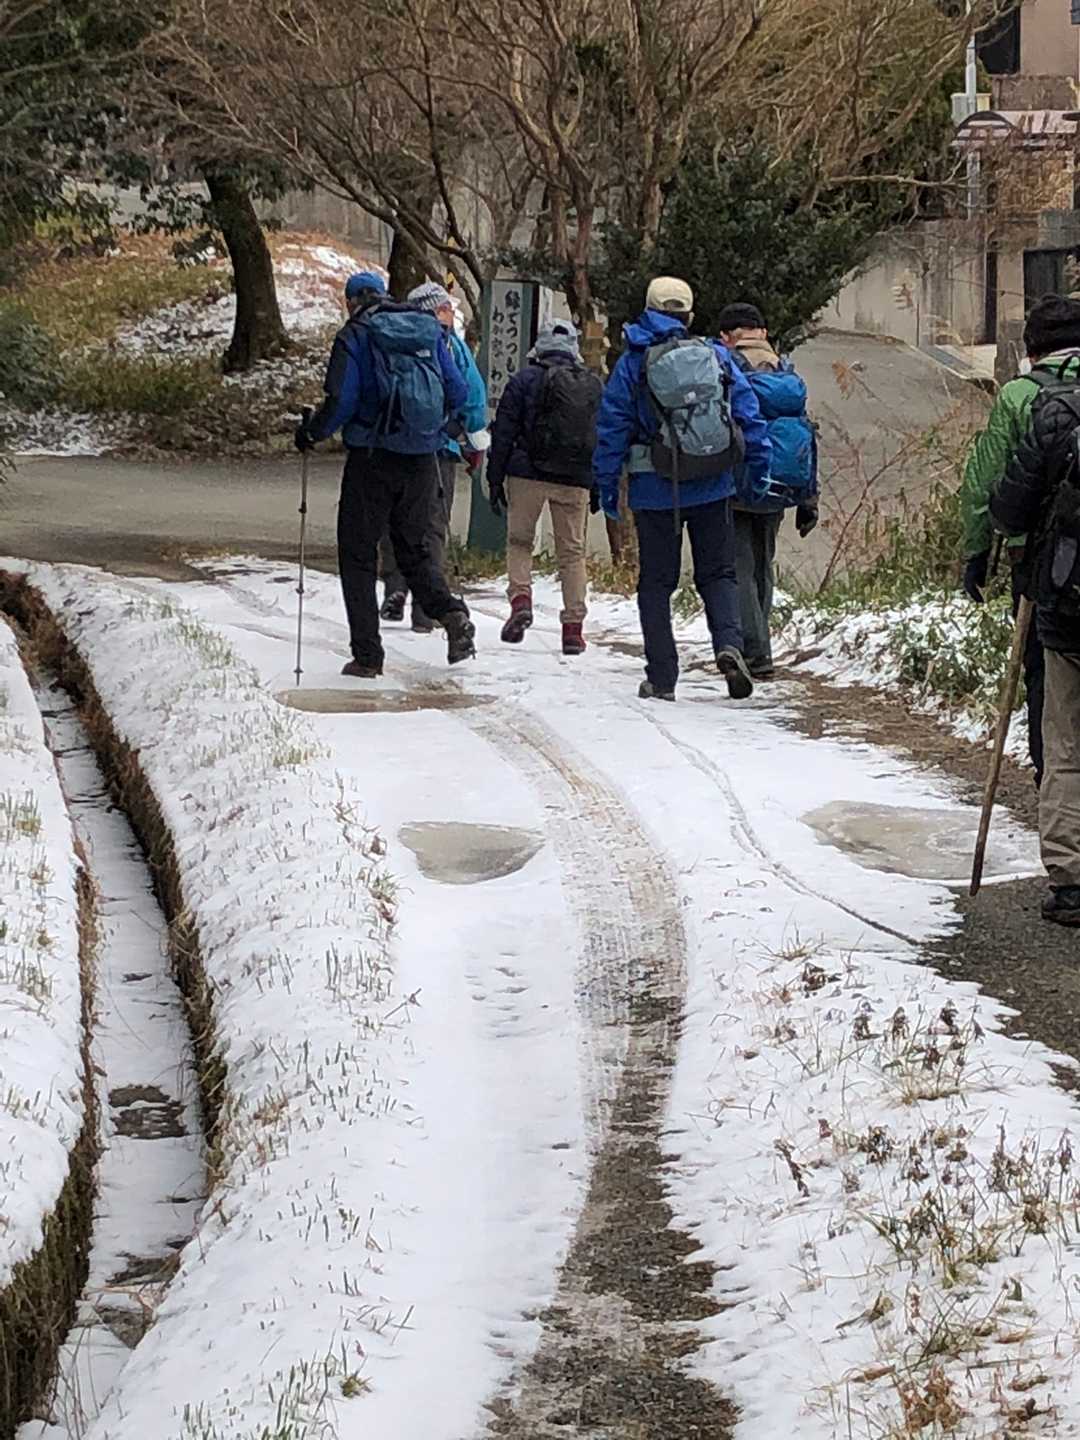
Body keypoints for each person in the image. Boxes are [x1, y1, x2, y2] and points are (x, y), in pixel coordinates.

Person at [593, 276, 771, 701]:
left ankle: (662, 677)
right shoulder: (714, 354)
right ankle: (728, 645)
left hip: (655, 489)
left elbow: (612, 426)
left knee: (657, 583)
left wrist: (606, 486)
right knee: (719, 574)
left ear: (647, 310)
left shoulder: (633, 362)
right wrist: (758, 463)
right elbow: (746, 410)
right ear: (688, 316)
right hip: (712, 482)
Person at [295, 271, 476, 676]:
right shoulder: (426, 329)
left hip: (372, 458)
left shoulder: (355, 335)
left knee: (358, 554)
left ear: (350, 301)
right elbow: (459, 392)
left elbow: (342, 400)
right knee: (414, 550)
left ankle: (367, 656)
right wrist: (440, 432)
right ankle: (451, 615)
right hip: (422, 459)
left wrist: (311, 433)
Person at [958, 296, 1080, 784]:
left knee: (1043, 668)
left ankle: (1052, 783)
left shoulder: (1020, 395)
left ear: (1033, 350)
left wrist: (976, 551)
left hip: (1040, 560)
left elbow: (984, 481)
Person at [990, 297, 1080, 927]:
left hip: (1069, 601)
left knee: (1066, 742)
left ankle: (1073, 881)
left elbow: (1007, 509)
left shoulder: (1049, 410)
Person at [379, 281, 490, 632]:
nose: (451, 313)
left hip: (393, 444)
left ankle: (395, 588)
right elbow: (471, 394)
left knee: (393, 518)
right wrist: (472, 440)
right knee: (432, 525)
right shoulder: (450, 344)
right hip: (439, 446)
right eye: (447, 308)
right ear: (438, 310)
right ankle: (427, 610)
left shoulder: (390, 337)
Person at [486, 320, 601, 655]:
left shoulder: (523, 380)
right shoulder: (593, 385)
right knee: (572, 553)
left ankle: (521, 600)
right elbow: (601, 436)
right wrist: (597, 483)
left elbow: (504, 432)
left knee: (520, 542)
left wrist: (495, 477)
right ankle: (573, 630)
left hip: (526, 474)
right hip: (574, 479)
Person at [718, 302, 818, 681]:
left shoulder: (729, 368)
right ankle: (761, 648)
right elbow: (807, 434)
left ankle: (755, 652)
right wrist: (809, 498)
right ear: (762, 332)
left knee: (738, 566)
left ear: (727, 336)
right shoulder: (785, 371)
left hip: (738, 482)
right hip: (781, 484)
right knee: (763, 565)